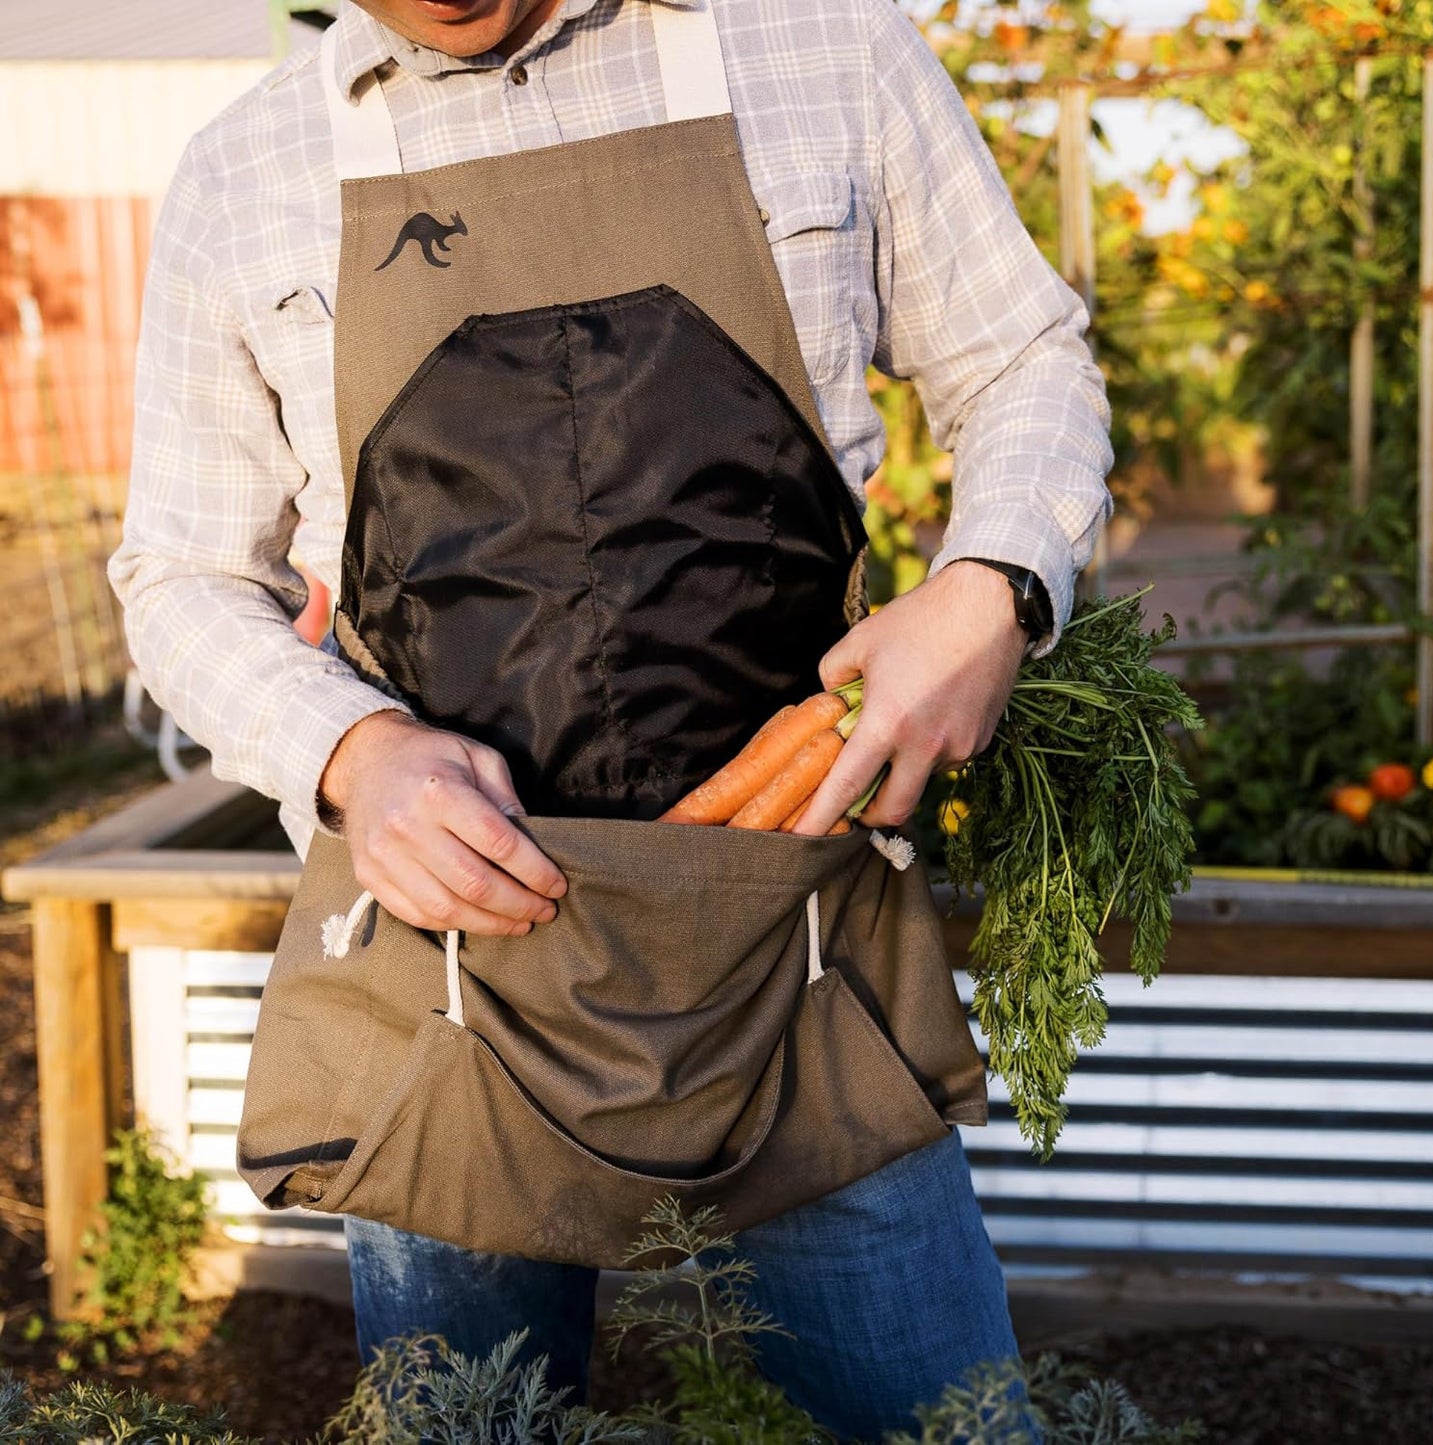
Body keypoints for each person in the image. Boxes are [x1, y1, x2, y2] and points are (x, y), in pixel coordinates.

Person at [111, 0, 1112, 1434]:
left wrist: (992, 585)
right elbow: (185, 575)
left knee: (944, 1421)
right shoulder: (245, 170)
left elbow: (1022, 360)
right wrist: (352, 751)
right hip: (453, 990)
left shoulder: (824, 46)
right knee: (473, 1421)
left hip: (800, 953)